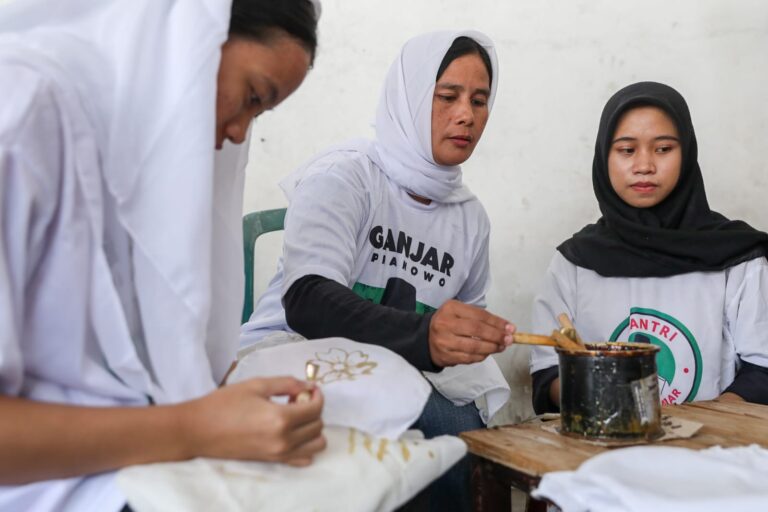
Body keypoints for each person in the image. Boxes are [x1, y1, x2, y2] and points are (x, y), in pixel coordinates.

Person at [0, 0, 326, 510]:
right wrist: (194, 427)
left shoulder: (134, 154)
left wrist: (225, 412)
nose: (240, 132)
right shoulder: (20, 111)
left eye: (259, 115)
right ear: (190, 39)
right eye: (252, 96)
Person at [240, 30, 515, 511]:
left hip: (404, 370)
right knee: (436, 425)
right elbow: (308, 300)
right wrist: (425, 336)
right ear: (408, 98)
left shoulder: (470, 218)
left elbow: (460, 335)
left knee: (471, 428)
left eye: (479, 100)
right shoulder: (346, 176)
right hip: (297, 356)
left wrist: (472, 338)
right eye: (447, 96)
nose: (466, 115)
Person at [529, 81, 768, 415]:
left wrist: (701, 422)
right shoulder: (575, 262)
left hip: (712, 453)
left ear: (687, 153)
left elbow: (762, 372)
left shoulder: (737, 257)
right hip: (601, 450)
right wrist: (605, 405)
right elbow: (547, 375)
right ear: (603, 156)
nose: (644, 165)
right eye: (627, 150)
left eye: (663, 149)